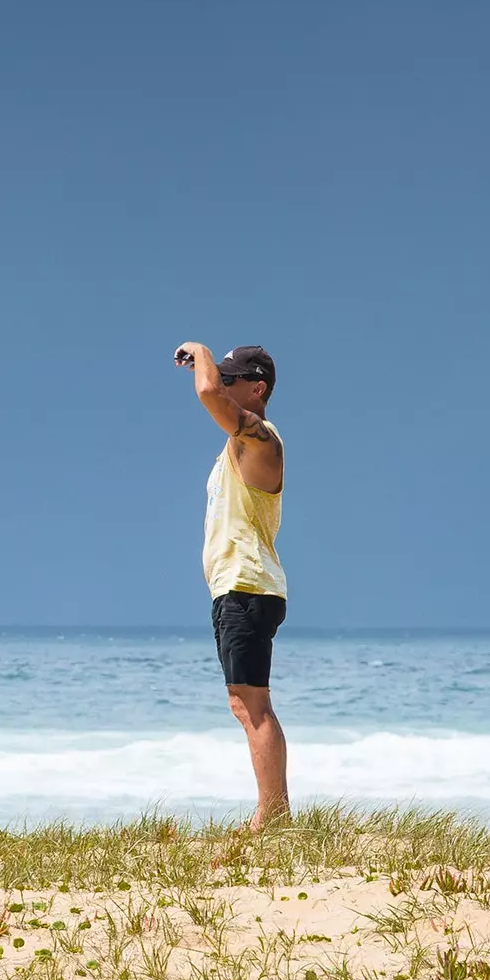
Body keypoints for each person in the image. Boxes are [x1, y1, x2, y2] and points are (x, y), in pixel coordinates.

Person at [173, 342, 289, 829]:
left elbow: (206, 392)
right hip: (236, 587)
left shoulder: (261, 440)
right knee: (245, 703)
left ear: (256, 387)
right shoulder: (234, 449)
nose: (221, 384)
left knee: (253, 705)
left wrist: (198, 349)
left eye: (231, 379)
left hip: (248, 585)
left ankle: (274, 815)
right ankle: (273, 811)